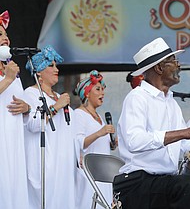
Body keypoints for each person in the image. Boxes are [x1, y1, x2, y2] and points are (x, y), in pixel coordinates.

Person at [113, 37, 190, 209]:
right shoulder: (137, 98)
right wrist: (184, 133)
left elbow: (184, 144)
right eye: (173, 60)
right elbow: (135, 141)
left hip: (164, 184)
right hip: (137, 183)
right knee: (186, 186)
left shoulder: (171, 103)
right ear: (159, 67)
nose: (179, 65)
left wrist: (185, 136)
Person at [24, 45, 77, 209]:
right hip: (45, 163)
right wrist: (56, 107)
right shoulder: (30, 94)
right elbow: (33, 124)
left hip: (64, 165)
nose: (56, 69)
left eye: (56, 65)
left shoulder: (61, 97)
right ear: (38, 71)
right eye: (51, 65)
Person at [74, 70, 116, 209]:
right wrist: (100, 132)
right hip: (89, 175)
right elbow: (79, 142)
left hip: (104, 174)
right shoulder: (79, 114)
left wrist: (111, 143)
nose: (102, 93)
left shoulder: (99, 116)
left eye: (103, 89)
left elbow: (100, 141)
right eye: (98, 89)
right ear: (87, 93)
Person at [0, 10, 30, 209]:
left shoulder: (11, 68)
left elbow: (21, 103)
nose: (5, 39)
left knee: (14, 188)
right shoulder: (10, 73)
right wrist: (8, 79)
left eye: (6, 36)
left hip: (15, 141)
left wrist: (27, 108)